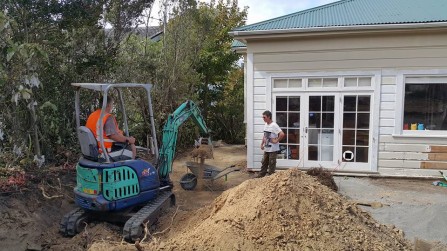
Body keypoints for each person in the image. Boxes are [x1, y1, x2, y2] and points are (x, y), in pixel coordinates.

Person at [257, 110, 285, 178]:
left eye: (264, 117)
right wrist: (262, 144)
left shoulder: (274, 125)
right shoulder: (266, 124)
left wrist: (276, 140)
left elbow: (282, 134)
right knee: (264, 162)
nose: (263, 119)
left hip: (273, 149)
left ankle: (271, 178)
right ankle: (260, 176)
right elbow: (265, 135)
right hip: (266, 147)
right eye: (263, 117)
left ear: (269, 117)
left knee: (271, 163)